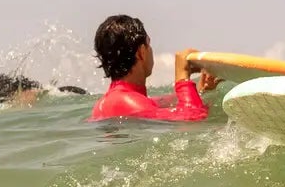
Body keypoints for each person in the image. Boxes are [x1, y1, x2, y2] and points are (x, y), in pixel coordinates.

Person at [88, 14, 218, 122]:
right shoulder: (126, 102)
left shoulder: (115, 100)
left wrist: (200, 90)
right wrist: (182, 76)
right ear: (141, 52)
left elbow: (161, 102)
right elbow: (192, 118)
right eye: (148, 44)